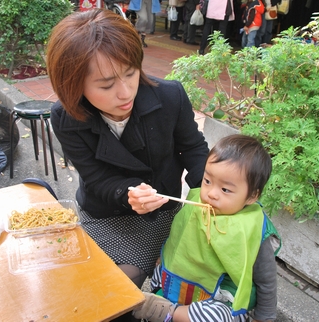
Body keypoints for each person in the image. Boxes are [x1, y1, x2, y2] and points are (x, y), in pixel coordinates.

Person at [46, 8, 209, 322]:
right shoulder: (66, 116)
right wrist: (130, 192)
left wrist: (212, 198)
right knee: (79, 287)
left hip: (160, 211)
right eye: (106, 86)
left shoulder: (170, 97)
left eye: (131, 73)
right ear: (73, 85)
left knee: (117, 290)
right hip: (103, 212)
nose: (124, 93)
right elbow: (95, 178)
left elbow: (195, 152)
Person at [132, 134, 281, 322]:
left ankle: (166, 312)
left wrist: (264, 317)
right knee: (160, 278)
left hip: (220, 299)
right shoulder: (196, 204)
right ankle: (167, 308)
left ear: (252, 196)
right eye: (207, 181)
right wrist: (162, 258)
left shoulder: (252, 229)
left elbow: (266, 281)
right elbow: (178, 238)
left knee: (216, 316)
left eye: (225, 190)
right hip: (180, 284)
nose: (211, 194)